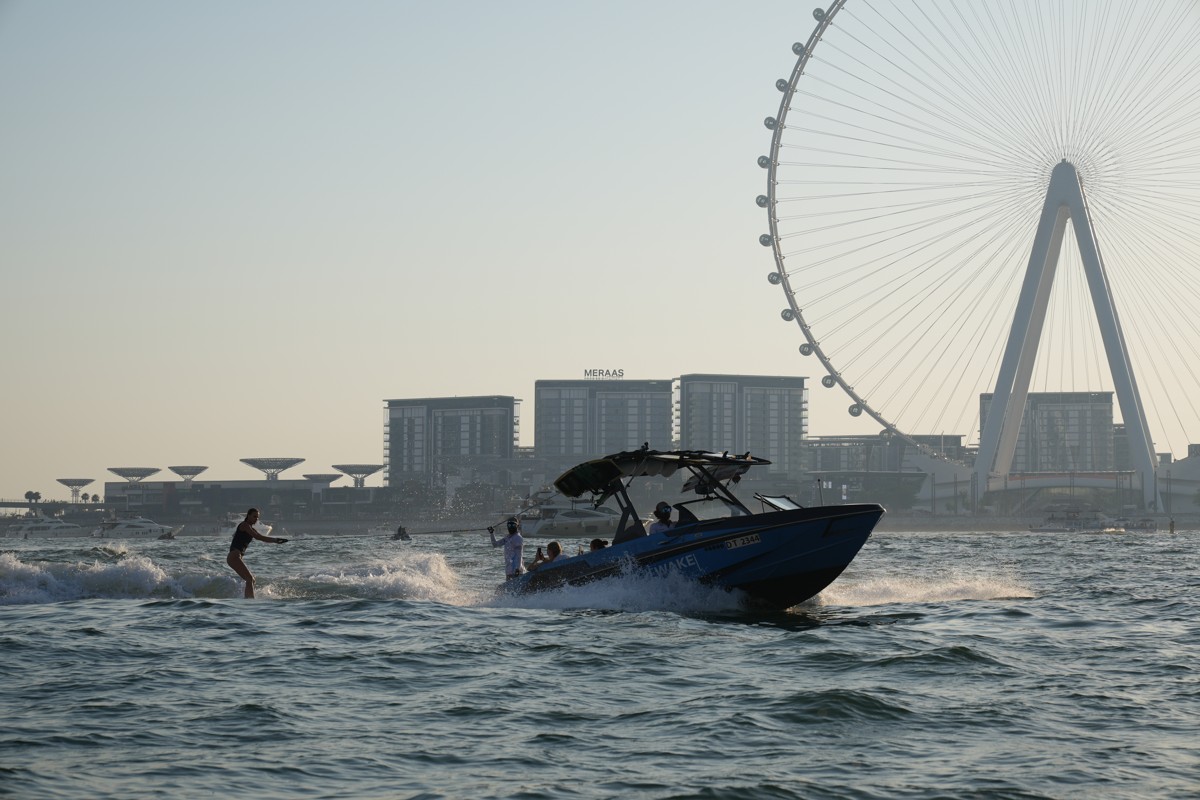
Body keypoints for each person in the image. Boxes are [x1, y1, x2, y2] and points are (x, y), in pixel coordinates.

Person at [226, 507, 287, 599]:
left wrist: (276, 540)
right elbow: (258, 537)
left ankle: (246, 598)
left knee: (251, 580)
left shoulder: (251, 528)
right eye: (254, 516)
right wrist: (275, 540)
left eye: (257, 517)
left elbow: (262, 538)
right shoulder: (245, 525)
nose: (256, 519)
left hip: (235, 557)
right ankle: (250, 601)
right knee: (250, 579)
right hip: (234, 556)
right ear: (248, 516)